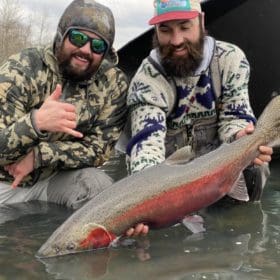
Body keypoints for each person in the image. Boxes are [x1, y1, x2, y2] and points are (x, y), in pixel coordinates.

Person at [125, 0, 272, 236]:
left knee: (256, 165)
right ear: (155, 32)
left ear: (201, 21)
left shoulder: (231, 59)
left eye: (184, 27)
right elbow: (145, 147)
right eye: (165, 30)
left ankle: (238, 231)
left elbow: (235, 116)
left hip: (220, 165)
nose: (176, 40)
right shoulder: (146, 79)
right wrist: (141, 204)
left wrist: (239, 135)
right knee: (153, 225)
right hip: (171, 181)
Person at [0, 0, 128, 209]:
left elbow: (98, 151)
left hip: (54, 179)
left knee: (99, 187)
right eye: (78, 38)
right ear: (61, 36)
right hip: (5, 182)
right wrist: (35, 123)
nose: (86, 49)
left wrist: (40, 156)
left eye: (97, 46)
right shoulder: (21, 69)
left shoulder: (113, 83)